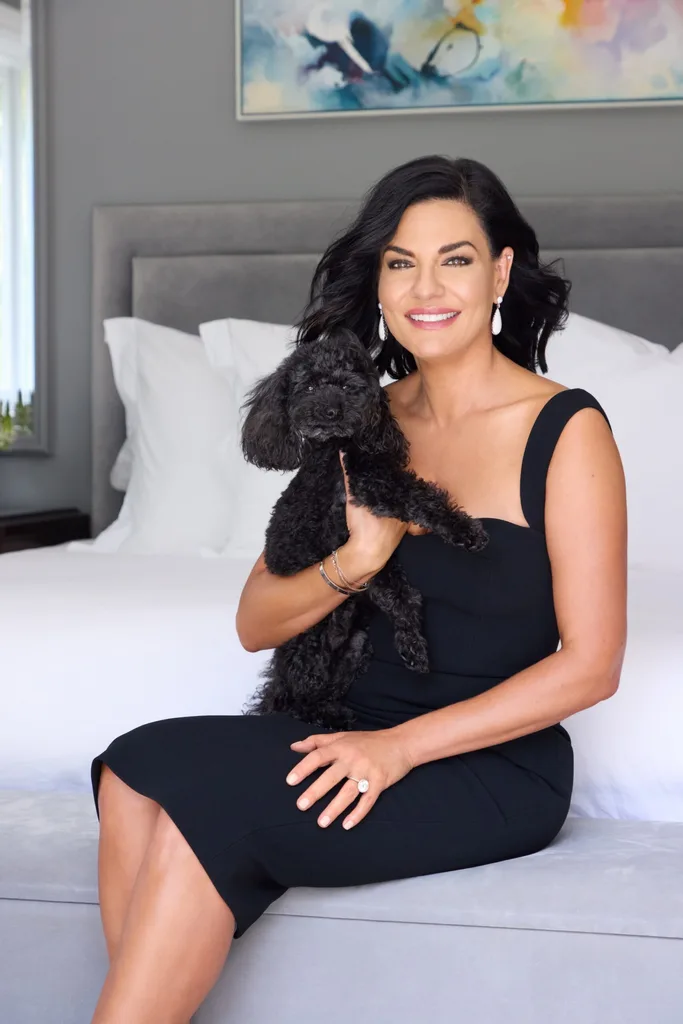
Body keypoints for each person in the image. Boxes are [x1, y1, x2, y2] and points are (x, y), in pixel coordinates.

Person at [89, 155, 627, 1022]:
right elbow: (255, 623)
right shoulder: (355, 417)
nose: (425, 286)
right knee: (134, 766)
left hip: (481, 764)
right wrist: (359, 560)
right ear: (375, 279)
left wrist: (400, 749)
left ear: (498, 273)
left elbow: (591, 666)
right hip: (337, 733)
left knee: (200, 811)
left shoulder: (565, 429)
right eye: (399, 261)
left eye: (454, 258)